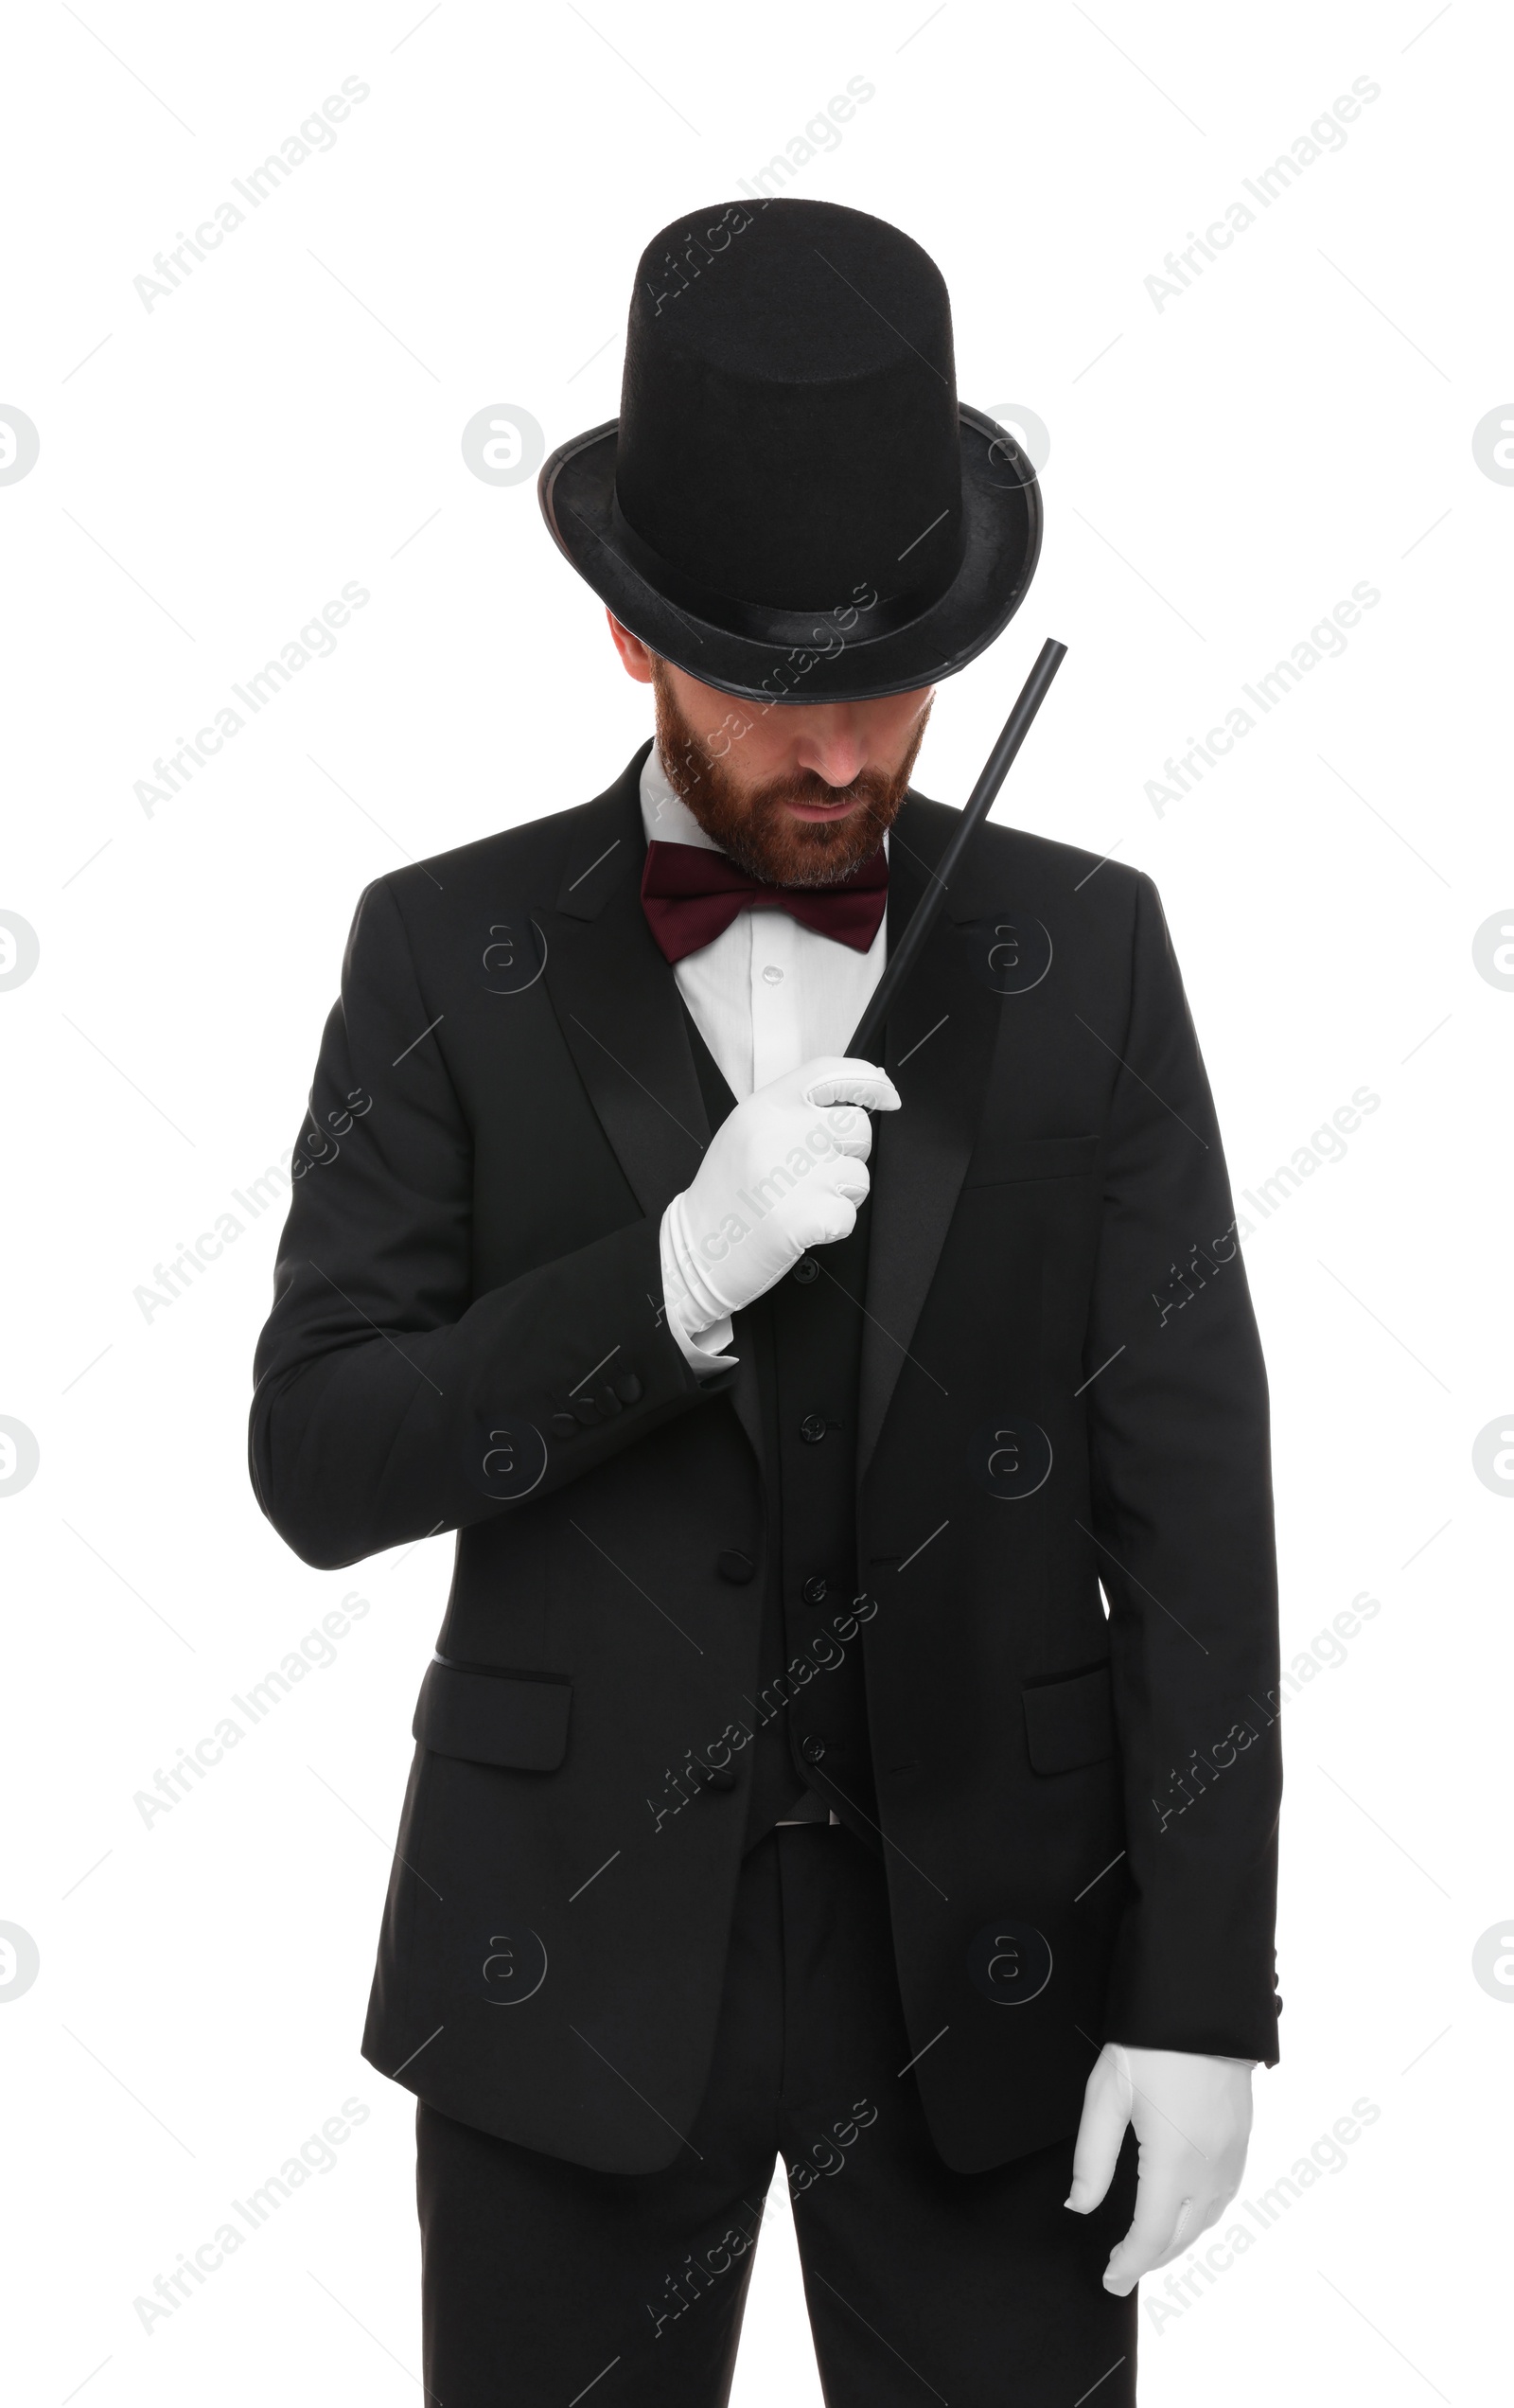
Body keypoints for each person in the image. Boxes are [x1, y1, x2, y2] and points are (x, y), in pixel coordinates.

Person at [250, 197, 1281, 2407]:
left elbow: (1191, 1515)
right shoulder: (440, 955)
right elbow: (321, 1459)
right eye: (774, 699)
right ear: (634, 644)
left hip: (1000, 1979)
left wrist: (1200, 1991)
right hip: (563, 1971)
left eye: (886, 687)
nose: (840, 757)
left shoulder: (1084, 949)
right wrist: (667, 1279)